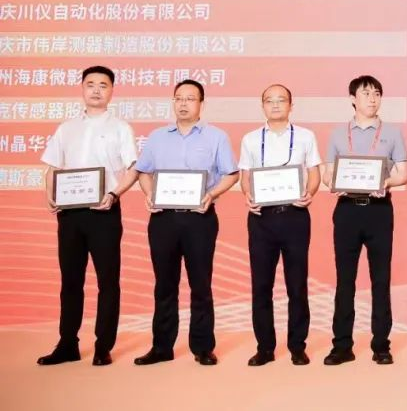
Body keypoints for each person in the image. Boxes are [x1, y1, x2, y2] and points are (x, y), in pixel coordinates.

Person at [37, 66, 139, 366]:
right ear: (82, 88)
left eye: (103, 85)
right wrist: (50, 194)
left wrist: (114, 194)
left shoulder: (121, 128)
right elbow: (53, 167)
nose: (96, 90)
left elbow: (133, 168)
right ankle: (67, 344)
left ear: (112, 91)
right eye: (90, 84)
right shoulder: (66, 128)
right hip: (70, 214)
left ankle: (103, 346)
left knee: (108, 281)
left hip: (104, 211)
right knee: (70, 281)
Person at [133, 79, 238, 366]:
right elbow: (143, 171)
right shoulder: (157, 137)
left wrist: (211, 194)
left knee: (200, 284)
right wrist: (150, 194)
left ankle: (203, 347)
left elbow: (231, 173)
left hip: (199, 219)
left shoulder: (216, 137)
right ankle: (161, 347)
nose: (183, 103)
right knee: (164, 285)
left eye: (190, 99)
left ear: (201, 104)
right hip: (163, 219)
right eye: (178, 98)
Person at [322, 75, 407, 366]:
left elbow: (403, 174)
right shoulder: (338, 134)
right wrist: (335, 182)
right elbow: (327, 173)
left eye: (377, 94)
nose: (372, 99)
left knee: (380, 279)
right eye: (366, 93)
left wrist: (386, 181)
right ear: (353, 99)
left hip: (379, 210)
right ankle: (341, 346)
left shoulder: (392, 133)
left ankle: (381, 345)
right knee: (344, 280)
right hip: (347, 210)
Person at [238, 84, 322, 367]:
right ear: (262, 105)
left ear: (291, 105)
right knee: (261, 285)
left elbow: (314, 173)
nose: (275, 105)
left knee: (297, 285)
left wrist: (309, 193)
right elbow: (245, 176)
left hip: (295, 216)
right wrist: (248, 195)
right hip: (261, 218)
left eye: (281, 100)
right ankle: (265, 347)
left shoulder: (305, 136)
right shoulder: (250, 139)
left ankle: (297, 346)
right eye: (269, 100)